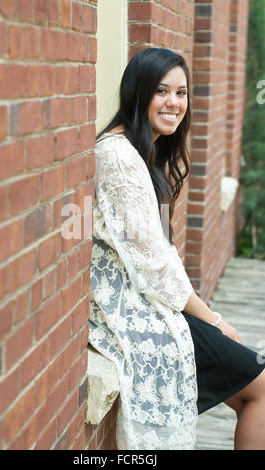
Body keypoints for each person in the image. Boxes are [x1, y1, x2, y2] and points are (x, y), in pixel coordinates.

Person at [88, 47, 265, 450]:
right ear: (139, 92)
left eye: (181, 93)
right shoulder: (118, 157)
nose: (174, 103)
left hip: (152, 300)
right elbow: (153, 266)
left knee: (253, 386)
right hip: (131, 311)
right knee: (260, 387)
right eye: (162, 91)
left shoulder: (143, 152)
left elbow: (161, 256)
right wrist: (215, 320)